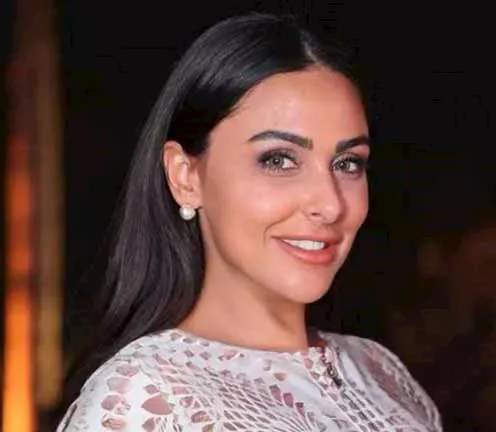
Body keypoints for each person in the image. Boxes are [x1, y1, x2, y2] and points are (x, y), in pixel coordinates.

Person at [58, 12, 441, 431]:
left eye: (348, 163)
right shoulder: (146, 398)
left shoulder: (381, 372)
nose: (330, 205)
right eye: (278, 160)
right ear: (186, 177)